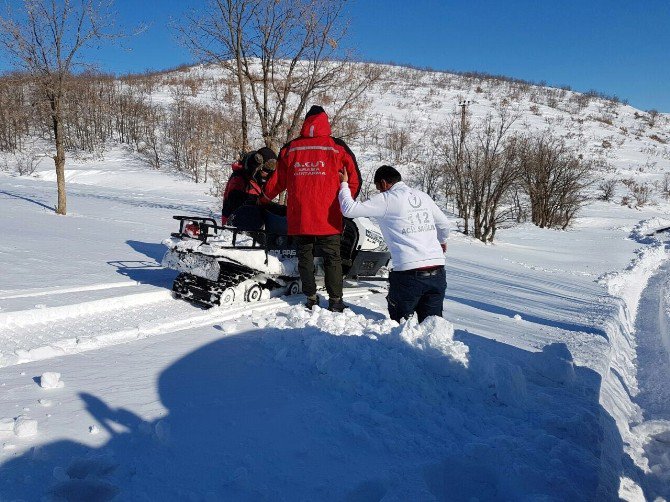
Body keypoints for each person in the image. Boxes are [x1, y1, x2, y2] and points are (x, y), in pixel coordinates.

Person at [261, 105, 361, 312]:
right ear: (326, 122)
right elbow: (355, 179)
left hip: (300, 217)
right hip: (329, 216)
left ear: (305, 123)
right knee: (332, 258)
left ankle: (311, 297)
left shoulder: (291, 148)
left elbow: (277, 181)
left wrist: (263, 198)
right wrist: (346, 203)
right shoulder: (337, 147)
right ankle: (335, 301)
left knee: (304, 257)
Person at [338, 165, 449, 323]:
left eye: (378, 187)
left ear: (383, 183)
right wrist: (442, 241)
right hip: (437, 272)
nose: (379, 191)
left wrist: (344, 184)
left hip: (408, 274)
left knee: (401, 326)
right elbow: (444, 224)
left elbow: (348, 209)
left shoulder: (387, 198)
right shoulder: (422, 196)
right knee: (432, 326)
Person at [221, 147, 279, 230]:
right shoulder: (240, 177)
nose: (267, 173)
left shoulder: (258, 179)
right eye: (266, 170)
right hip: (235, 224)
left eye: (270, 171)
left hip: (251, 223)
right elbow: (233, 199)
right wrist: (256, 200)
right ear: (258, 167)